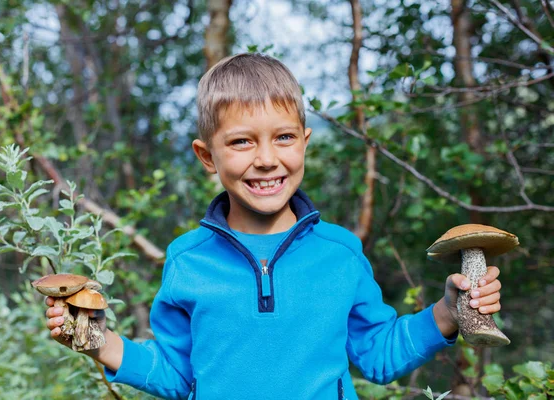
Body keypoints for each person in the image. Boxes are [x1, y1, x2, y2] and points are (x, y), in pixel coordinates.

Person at [45, 53, 504, 400]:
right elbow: (177, 373)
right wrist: (99, 343)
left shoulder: (339, 252)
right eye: (242, 142)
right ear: (207, 156)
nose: (266, 159)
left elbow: (379, 355)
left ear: (304, 143)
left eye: (283, 137)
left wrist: (447, 312)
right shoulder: (187, 259)